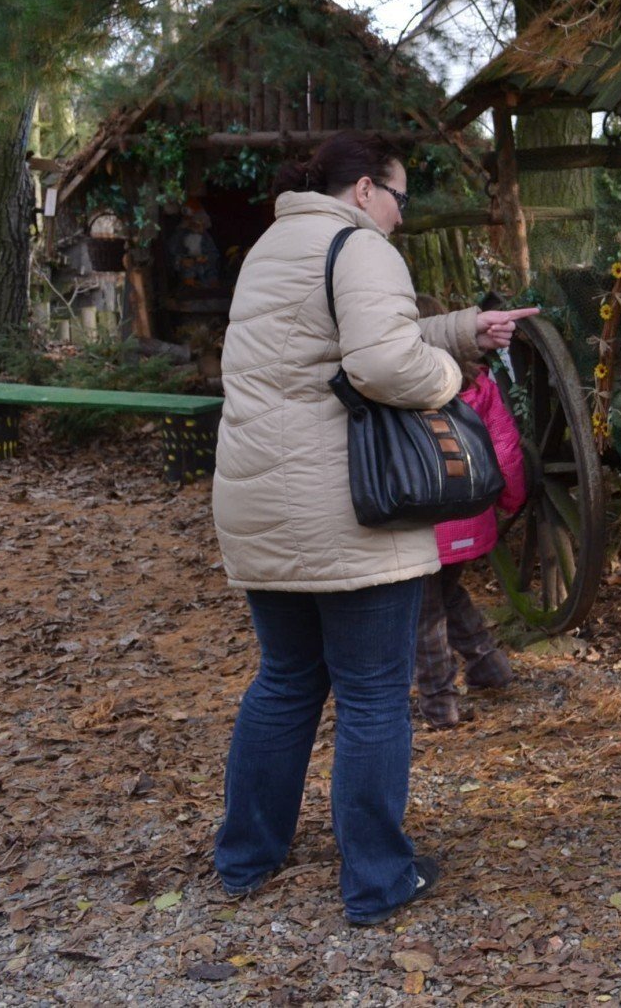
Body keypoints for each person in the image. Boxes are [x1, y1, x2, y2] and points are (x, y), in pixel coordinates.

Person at [209, 131, 537, 926]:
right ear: (364, 190)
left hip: (261, 505)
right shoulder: (359, 247)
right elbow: (382, 366)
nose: (399, 214)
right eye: (398, 196)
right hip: (345, 510)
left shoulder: (276, 246)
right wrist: (455, 377)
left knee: (286, 680)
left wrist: (462, 328)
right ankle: (379, 880)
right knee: (372, 696)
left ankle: (247, 856)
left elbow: (338, 346)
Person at [414, 327, 526, 729]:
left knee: (424, 611)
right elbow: (505, 447)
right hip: (469, 516)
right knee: (448, 593)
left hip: (422, 522)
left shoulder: (398, 392)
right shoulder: (479, 384)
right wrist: (510, 500)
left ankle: (440, 701)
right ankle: (489, 666)